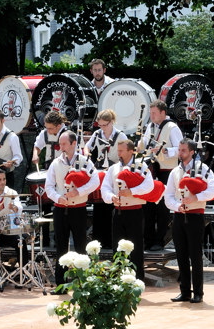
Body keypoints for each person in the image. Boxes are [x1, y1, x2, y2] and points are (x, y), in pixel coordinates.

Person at [164, 139, 214, 304]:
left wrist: (197, 197)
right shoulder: (175, 171)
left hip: (195, 215)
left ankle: (198, 292)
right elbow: (168, 196)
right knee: (181, 255)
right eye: (179, 150)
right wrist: (177, 206)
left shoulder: (203, 169)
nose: (180, 153)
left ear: (192, 152)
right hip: (179, 215)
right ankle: (185, 291)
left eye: (183, 150)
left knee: (195, 255)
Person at [45, 131, 100, 287]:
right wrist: (58, 198)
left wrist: (79, 191)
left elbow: (95, 181)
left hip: (78, 209)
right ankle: (60, 285)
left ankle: (82, 284)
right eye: (60, 144)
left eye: (64, 144)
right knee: (61, 247)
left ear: (73, 143)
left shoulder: (85, 161)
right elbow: (49, 187)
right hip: (60, 209)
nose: (61, 147)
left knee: (80, 246)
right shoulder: (55, 163)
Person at [100, 140, 153, 281]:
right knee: (117, 248)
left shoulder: (141, 166)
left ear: (131, 151)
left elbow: (149, 185)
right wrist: (111, 197)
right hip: (118, 211)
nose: (119, 154)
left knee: (136, 248)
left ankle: (137, 281)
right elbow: (105, 188)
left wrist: (132, 192)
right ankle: (118, 280)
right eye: (118, 150)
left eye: (121, 151)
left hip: (135, 212)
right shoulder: (113, 168)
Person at [139, 99, 181, 251]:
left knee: (162, 207)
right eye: (150, 113)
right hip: (152, 169)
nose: (151, 116)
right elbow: (144, 146)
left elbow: (180, 149)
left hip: (166, 171)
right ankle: (148, 240)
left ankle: (159, 240)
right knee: (148, 205)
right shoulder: (150, 126)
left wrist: (165, 151)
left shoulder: (172, 127)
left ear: (163, 113)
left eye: (154, 113)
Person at [85, 109, 129, 246]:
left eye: (105, 125)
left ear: (111, 122)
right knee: (99, 205)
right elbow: (87, 147)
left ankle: (112, 240)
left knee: (111, 204)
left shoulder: (120, 135)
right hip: (100, 171)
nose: (102, 128)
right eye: (100, 125)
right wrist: (87, 156)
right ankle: (99, 240)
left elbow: (127, 153)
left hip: (115, 171)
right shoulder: (97, 134)